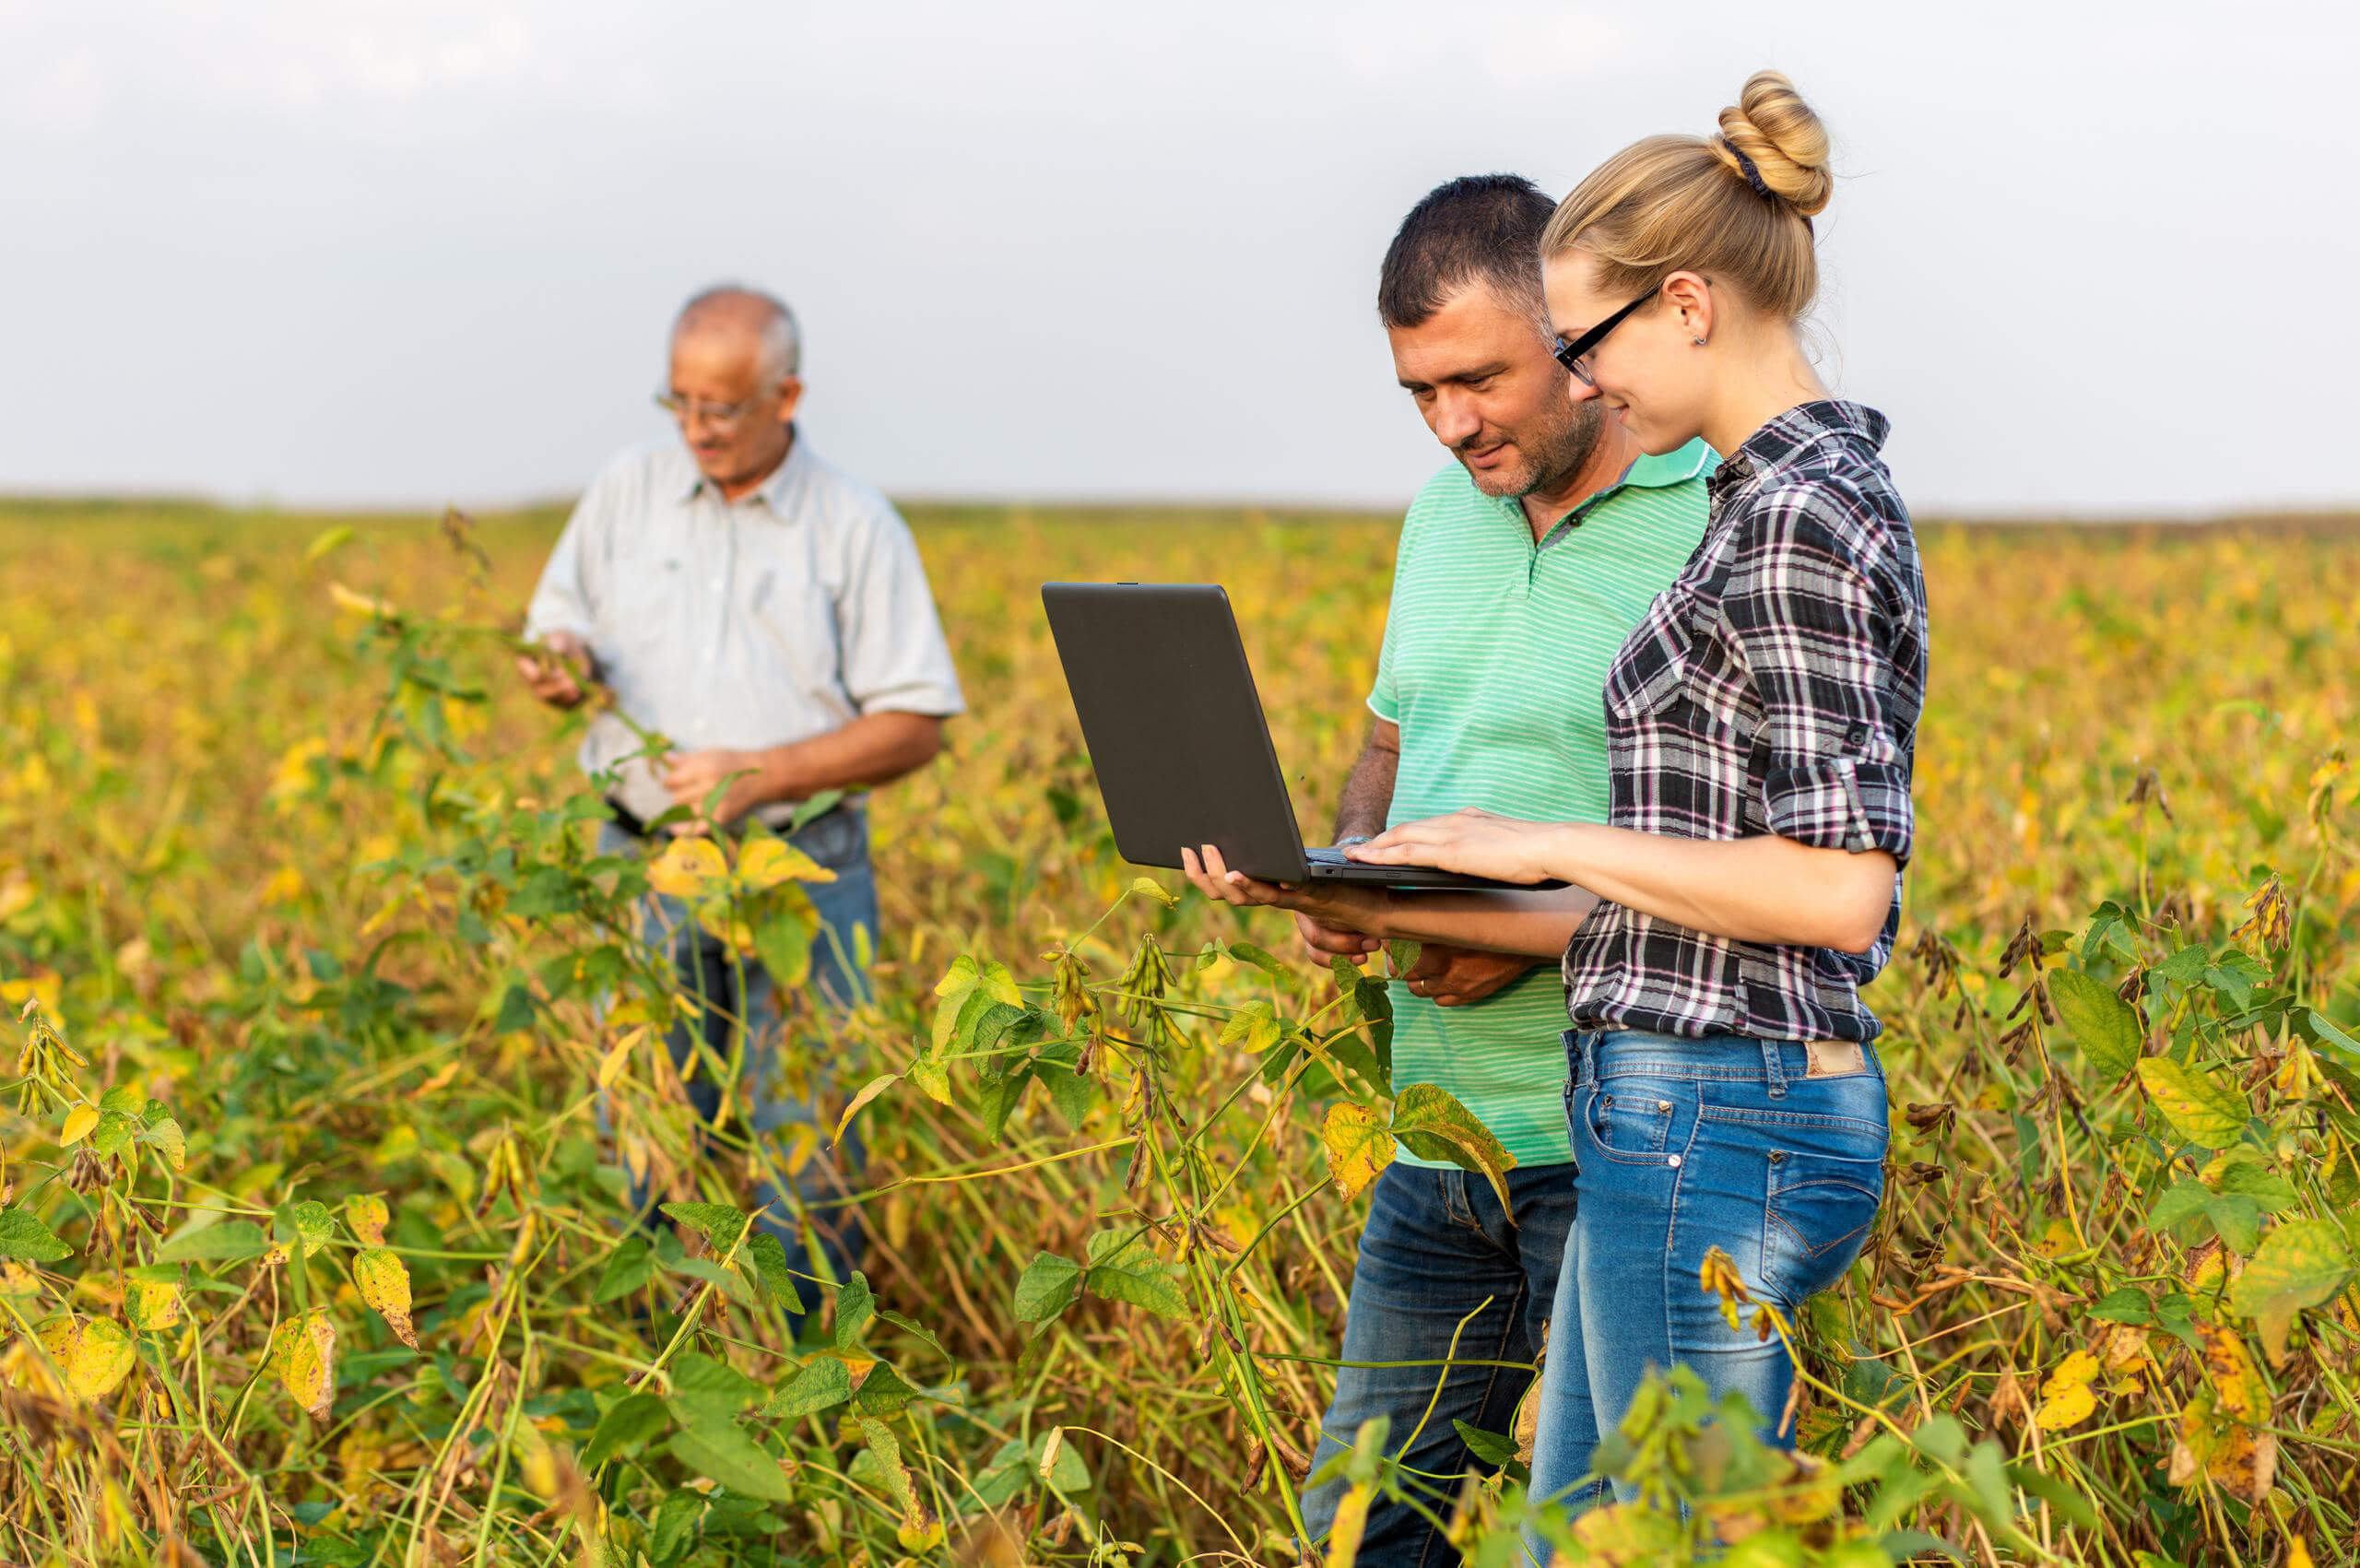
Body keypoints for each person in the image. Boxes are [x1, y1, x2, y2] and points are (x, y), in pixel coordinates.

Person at [1184, 72, 1925, 1539]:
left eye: (1578, 346)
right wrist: (1350, 881)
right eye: (1421, 393)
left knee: (1638, 1532)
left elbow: (1843, 887)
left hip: (1707, 1101)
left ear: (1687, 306)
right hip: (1626, 1090)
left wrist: (1531, 858)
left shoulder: (1782, 511)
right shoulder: (1754, 500)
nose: (1587, 383)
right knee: (1559, 1529)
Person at [1204, 175, 1714, 1562]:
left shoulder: (1714, 519)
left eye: (1480, 379)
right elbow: (1392, 734)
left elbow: (1756, 865)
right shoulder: (1442, 513)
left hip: (1625, 1142)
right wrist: (1338, 879)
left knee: (1605, 1538)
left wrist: (1538, 926)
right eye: (1421, 392)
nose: (1454, 424)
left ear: (1580, 331)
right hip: (1435, 1139)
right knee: (1365, 1528)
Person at [518, 284, 964, 1326]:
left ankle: (807, 1361)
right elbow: (554, 626)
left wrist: (766, 774)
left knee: (806, 1134)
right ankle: (668, 1354)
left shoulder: (854, 524)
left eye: (721, 406)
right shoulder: (627, 492)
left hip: (800, 871)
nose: (699, 430)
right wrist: (559, 664)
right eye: (680, 404)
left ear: (788, 392)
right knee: (647, 1126)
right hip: (641, 867)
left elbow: (916, 724)